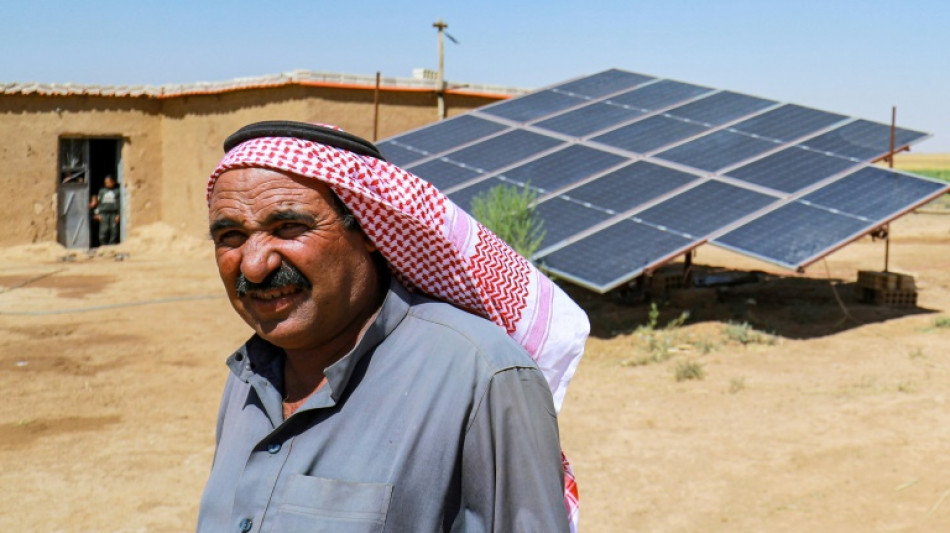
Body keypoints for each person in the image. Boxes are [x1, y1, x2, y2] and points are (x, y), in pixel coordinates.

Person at [197, 121, 589, 532]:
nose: (254, 265)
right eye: (231, 236)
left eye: (289, 228)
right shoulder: (249, 375)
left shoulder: (480, 375)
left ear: (369, 229)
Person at [89, 175, 121, 245]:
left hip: (113, 213)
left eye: (108, 182)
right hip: (103, 214)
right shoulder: (102, 191)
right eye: (105, 182)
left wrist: (118, 215)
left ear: (113, 182)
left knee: (114, 231)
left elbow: (120, 204)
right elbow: (98, 202)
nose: (107, 184)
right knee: (103, 231)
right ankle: (104, 246)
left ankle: (112, 246)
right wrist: (97, 213)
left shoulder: (118, 191)